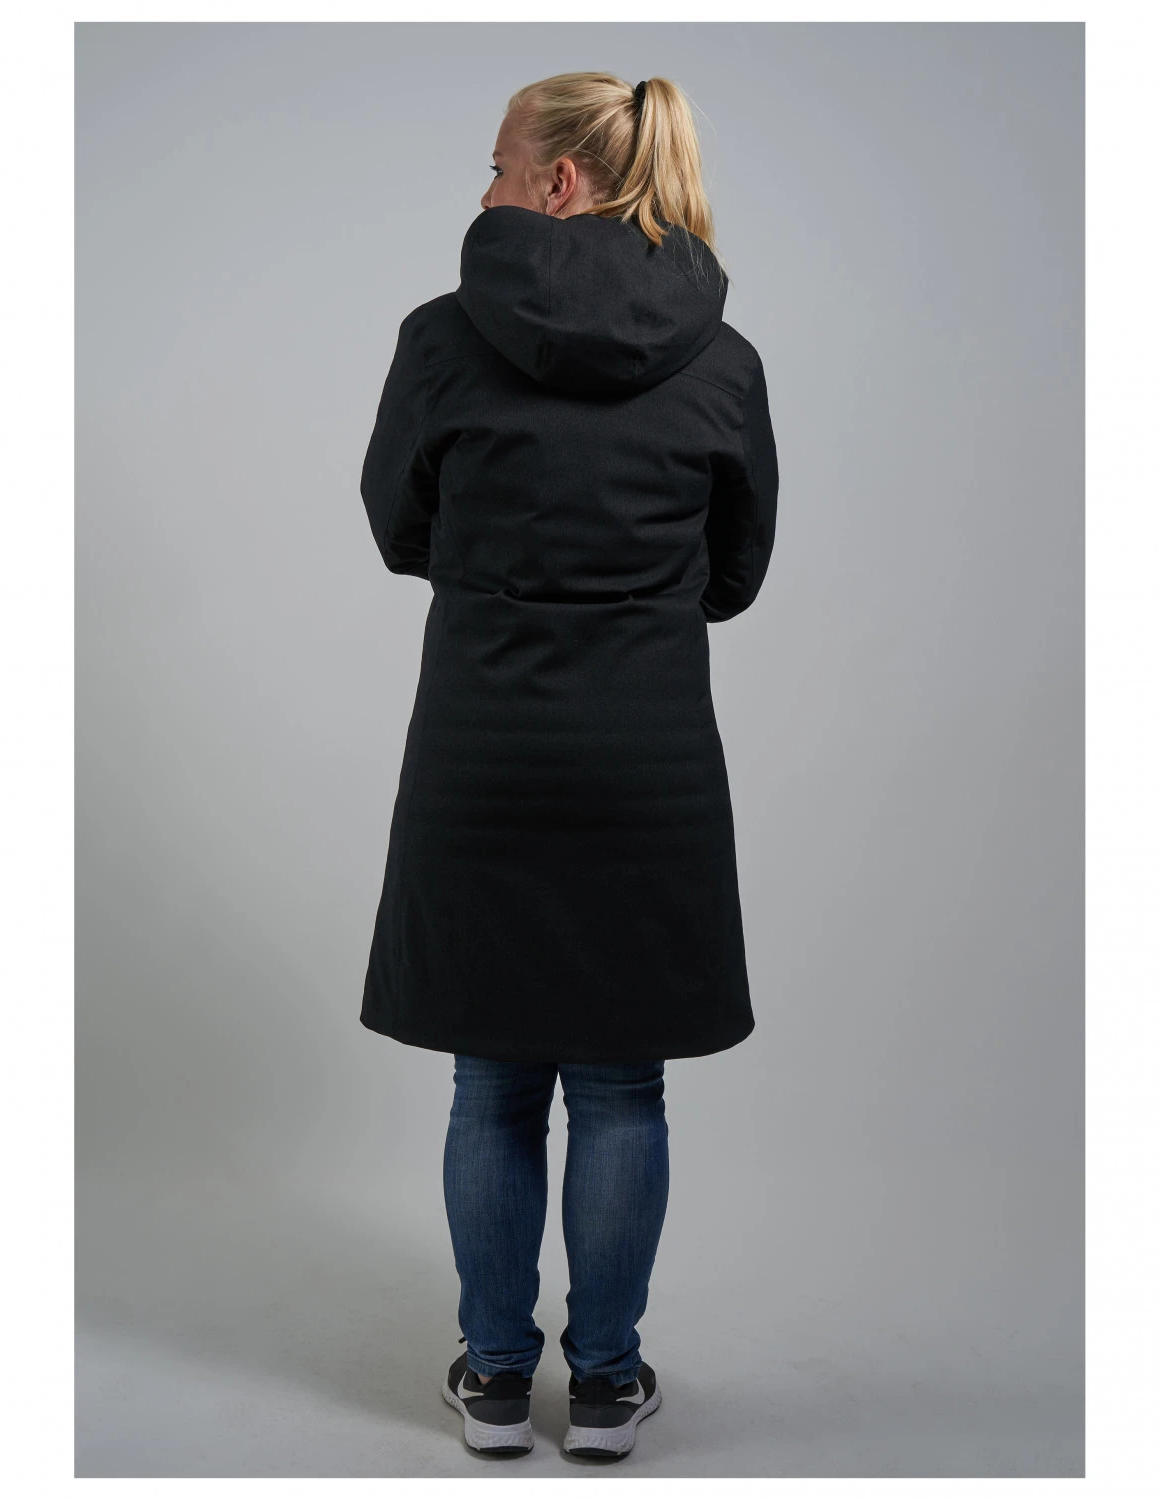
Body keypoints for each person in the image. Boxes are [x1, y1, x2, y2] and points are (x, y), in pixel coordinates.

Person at [358, 70, 779, 1462]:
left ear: (558, 181)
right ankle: (604, 1385)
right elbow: (734, 573)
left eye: (495, 166)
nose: (482, 190)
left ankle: (493, 1379)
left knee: (491, 1085)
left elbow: (400, 530)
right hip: (645, 764)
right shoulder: (724, 361)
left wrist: (503, 573)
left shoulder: (438, 339)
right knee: (619, 1088)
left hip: (482, 753)